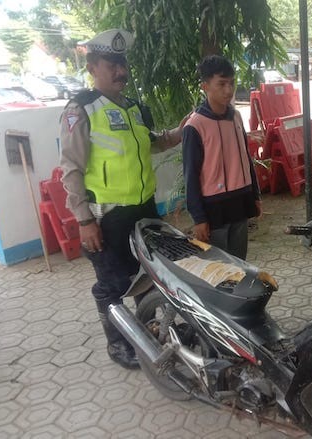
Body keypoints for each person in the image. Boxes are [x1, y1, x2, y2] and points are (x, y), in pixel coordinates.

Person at [60, 29, 188, 369]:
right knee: (112, 285)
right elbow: (70, 169)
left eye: (123, 64)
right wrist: (84, 220)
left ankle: (150, 331)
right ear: (92, 67)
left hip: (144, 210)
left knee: (148, 276)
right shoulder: (81, 110)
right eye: (111, 65)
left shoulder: (132, 109)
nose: (120, 71)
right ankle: (118, 345)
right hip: (108, 216)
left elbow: (152, 142)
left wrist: (178, 133)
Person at [182, 55, 261, 260]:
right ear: (205, 86)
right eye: (222, 84)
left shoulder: (236, 117)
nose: (229, 90)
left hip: (240, 202)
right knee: (221, 267)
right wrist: (199, 218)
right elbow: (190, 176)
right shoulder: (195, 126)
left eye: (231, 83)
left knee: (240, 264)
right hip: (214, 210)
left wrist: (255, 196)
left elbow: (246, 158)